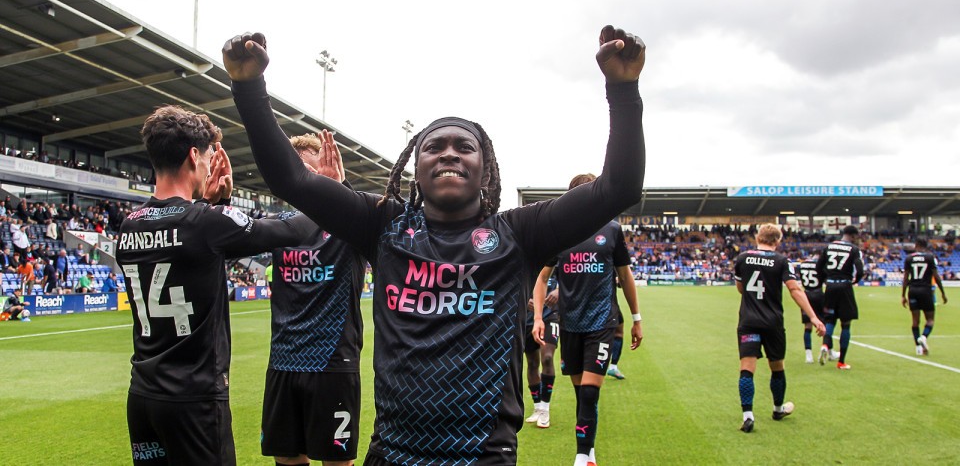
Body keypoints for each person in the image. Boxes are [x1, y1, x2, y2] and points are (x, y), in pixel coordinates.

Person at [224, 24, 646, 466]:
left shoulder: (521, 234)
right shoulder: (381, 225)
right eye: (433, 147)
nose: (448, 153)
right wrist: (248, 86)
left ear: (485, 172)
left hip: (483, 455)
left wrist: (623, 89)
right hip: (392, 453)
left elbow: (618, 188)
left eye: (464, 146)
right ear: (415, 169)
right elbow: (290, 178)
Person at [116, 105, 316, 466]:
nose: (211, 164)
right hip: (194, 400)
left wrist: (213, 204)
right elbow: (294, 231)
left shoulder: (128, 225)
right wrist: (324, 188)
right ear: (194, 155)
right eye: (209, 155)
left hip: (143, 396)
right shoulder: (205, 223)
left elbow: (190, 250)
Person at [261, 131, 367, 466]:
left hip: (333, 365)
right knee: (287, 459)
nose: (305, 182)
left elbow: (364, 220)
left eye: (313, 172)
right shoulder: (277, 226)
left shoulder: (350, 226)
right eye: (299, 173)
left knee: (337, 462)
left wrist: (339, 190)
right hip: (283, 362)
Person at [531, 173, 643, 466]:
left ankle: (581, 457)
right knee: (582, 395)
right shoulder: (560, 234)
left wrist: (636, 317)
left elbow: (624, 276)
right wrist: (538, 318)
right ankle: (589, 450)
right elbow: (542, 279)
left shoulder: (612, 230)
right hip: (569, 324)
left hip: (602, 323)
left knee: (591, 393)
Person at [733, 224, 825, 433]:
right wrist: (813, 316)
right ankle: (777, 409)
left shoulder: (742, 258)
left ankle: (748, 415)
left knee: (747, 368)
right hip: (773, 322)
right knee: (777, 367)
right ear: (777, 241)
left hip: (748, 320)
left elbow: (740, 288)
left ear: (758, 237)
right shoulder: (782, 261)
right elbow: (795, 289)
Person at [816, 225, 864, 369]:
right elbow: (860, 269)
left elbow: (818, 267)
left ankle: (825, 345)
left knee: (829, 320)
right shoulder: (854, 250)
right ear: (853, 236)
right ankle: (841, 361)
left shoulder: (829, 247)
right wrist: (855, 280)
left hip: (830, 286)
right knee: (846, 324)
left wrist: (825, 279)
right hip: (845, 286)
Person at [523, 273, 559, 429]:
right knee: (532, 363)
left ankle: (545, 408)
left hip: (550, 316)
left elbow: (572, 278)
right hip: (527, 320)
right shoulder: (523, 259)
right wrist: (523, 301)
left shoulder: (554, 259)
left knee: (547, 358)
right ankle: (537, 407)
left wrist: (560, 290)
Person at [902, 238, 948, 355]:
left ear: (916, 245)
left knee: (915, 321)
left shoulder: (909, 258)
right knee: (930, 319)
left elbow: (906, 278)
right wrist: (942, 292)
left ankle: (918, 348)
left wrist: (903, 295)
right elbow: (936, 276)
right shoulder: (929, 258)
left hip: (913, 290)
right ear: (925, 246)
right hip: (926, 291)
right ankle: (923, 336)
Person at [795, 256, 824, 363]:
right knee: (824, 324)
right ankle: (825, 349)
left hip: (806, 294)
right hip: (818, 294)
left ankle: (808, 355)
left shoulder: (802, 265)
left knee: (807, 326)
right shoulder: (819, 264)